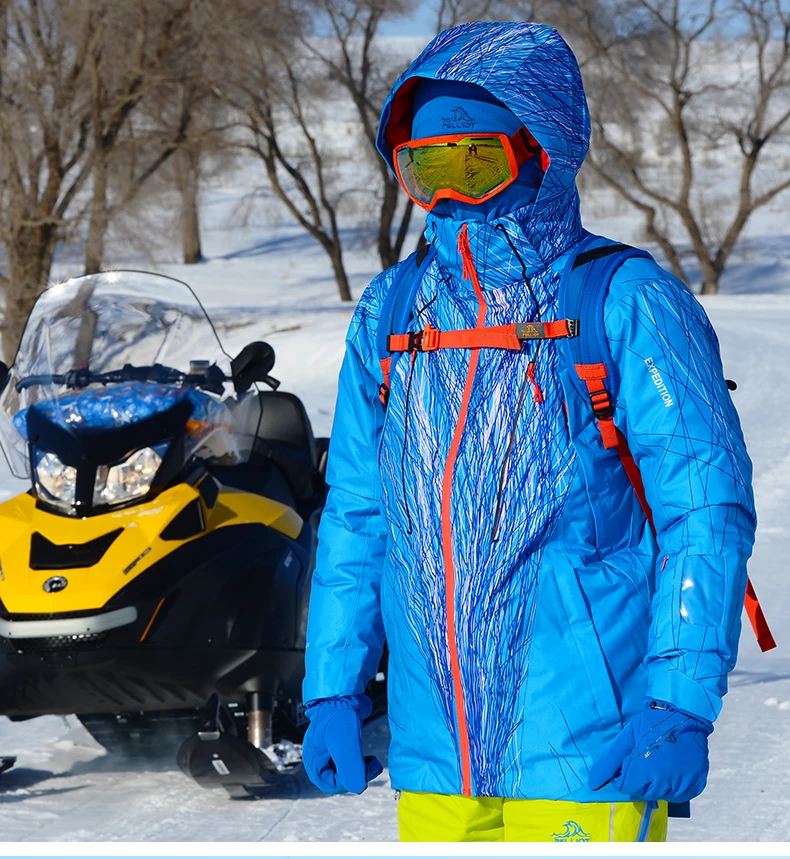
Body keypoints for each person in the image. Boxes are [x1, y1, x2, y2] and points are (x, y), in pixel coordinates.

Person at [300, 21, 756, 842]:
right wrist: (332, 685)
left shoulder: (626, 301)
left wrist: (680, 700)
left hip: (591, 744)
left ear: (542, 147)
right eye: (422, 168)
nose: (445, 196)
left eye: (473, 163)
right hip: (435, 752)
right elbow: (359, 513)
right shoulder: (392, 313)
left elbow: (704, 508)